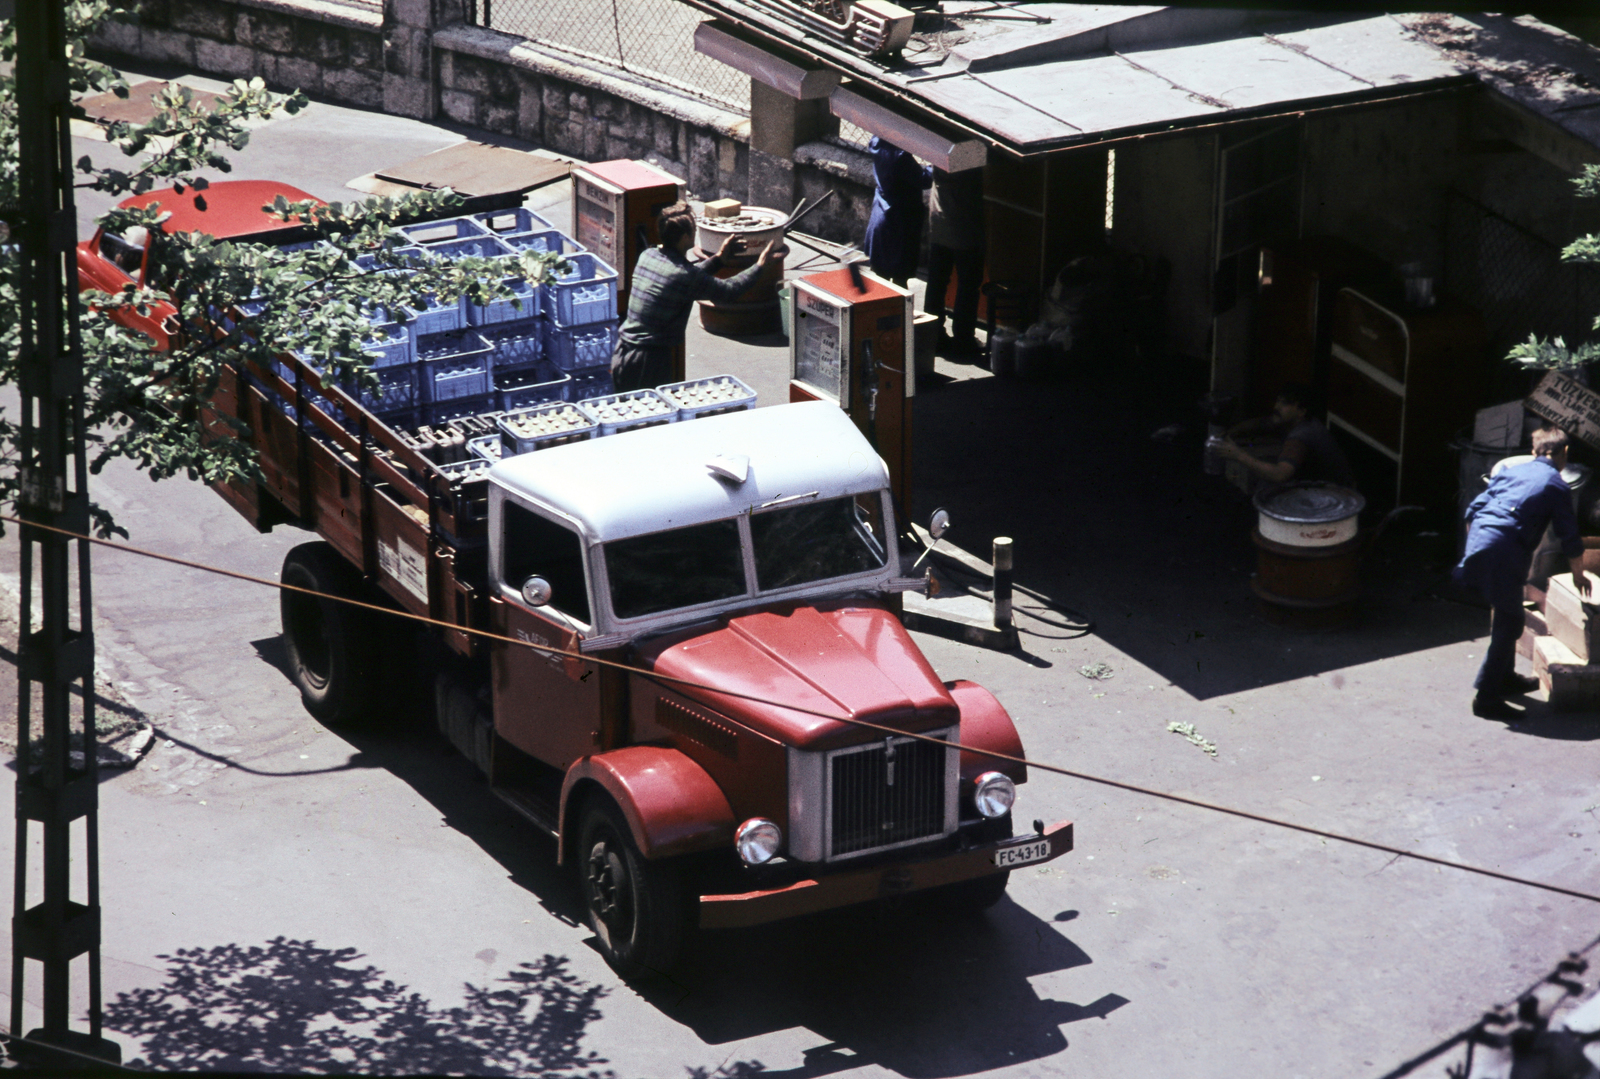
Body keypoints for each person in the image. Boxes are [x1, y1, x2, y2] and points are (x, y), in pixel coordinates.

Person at [1456, 426, 1589, 719]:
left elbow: (1474, 509)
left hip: (1482, 540)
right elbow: (1570, 538)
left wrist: (1477, 549)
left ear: (1533, 451)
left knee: (1509, 612)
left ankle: (1505, 678)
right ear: (1564, 453)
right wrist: (1579, 575)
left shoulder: (1510, 471)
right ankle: (1486, 697)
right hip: (1505, 550)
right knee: (1511, 621)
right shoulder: (1556, 485)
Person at [613, 202, 785, 392]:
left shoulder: (648, 255)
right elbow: (728, 291)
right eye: (694, 230)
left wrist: (719, 259)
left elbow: (684, 279)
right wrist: (760, 266)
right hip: (647, 363)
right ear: (685, 237)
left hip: (623, 351)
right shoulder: (684, 276)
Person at [1216, 382, 1356, 489]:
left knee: (1266, 484)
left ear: (1301, 411)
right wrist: (1231, 432)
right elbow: (1263, 423)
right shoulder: (1292, 421)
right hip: (1320, 486)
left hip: (1335, 496)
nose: (1276, 407)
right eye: (1278, 401)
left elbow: (1280, 475)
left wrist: (1238, 455)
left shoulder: (1301, 436)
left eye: (1284, 403)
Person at [924, 167, 985, 360]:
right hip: (964, 225)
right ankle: (964, 339)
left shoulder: (940, 152)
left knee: (936, 282)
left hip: (939, 222)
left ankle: (933, 335)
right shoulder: (970, 157)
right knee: (968, 285)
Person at [863, 136, 931, 288]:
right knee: (900, 277)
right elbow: (923, 180)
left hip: (882, 213)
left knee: (881, 275)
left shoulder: (878, 143)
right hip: (901, 221)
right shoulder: (900, 156)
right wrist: (936, 165)